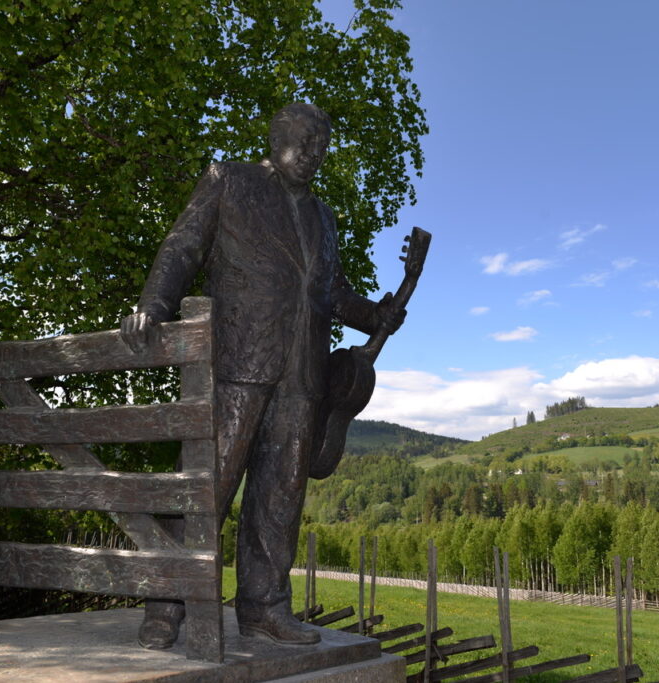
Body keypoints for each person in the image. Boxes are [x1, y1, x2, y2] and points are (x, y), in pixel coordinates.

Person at [121, 103, 404, 647]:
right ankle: (166, 605)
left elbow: (331, 292)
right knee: (206, 485)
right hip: (238, 361)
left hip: (302, 375)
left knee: (281, 496)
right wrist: (153, 307)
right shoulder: (230, 180)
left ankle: (264, 607)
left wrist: (375, 315)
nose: (313, 154)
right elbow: (183, 246)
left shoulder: (323, 217)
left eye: (321, 146)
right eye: (305, 141)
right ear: (276, 139)